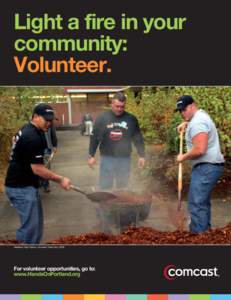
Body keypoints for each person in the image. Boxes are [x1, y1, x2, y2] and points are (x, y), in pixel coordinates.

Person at [5, 103, 72, 244]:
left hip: (25, 185)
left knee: (35, 227)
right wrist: (61, 179)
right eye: (46, 119)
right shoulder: (32, 136)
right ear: (35, 116)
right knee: (30, 230)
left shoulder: (28, 128)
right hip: (20, 188)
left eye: (51, 120)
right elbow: (38, 169)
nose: (49, 123)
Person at [175, 95, 225, 233]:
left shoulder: (198, 123)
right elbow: (200, 126)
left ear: (192, 106)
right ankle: (206, 234)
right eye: (180, 111)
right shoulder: (200, 117)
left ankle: (199, 237)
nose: (182, 113)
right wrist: (187, 123)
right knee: (202, 202)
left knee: (196, 203)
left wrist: (182, 157)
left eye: (184, 109)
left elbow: (200, 149)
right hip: (210, 166)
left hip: (206, 167)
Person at [88, 92, 145, 189]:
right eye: (117, 106)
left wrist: (142, 155)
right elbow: (95, 137)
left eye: (122, 107)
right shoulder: (102, 118)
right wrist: (91, 155)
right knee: (105, 186)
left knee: (122, 187)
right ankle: (105, 204)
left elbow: (137, 138)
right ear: (112, 104)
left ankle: (121, 204)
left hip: (124, 158)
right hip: (107, 157)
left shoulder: (131, 119)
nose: (119, 109)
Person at [40, 122, 58, 192]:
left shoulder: (49, 121)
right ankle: (44, 183)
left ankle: (45, 184)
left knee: (43, 166)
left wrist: (55, 145)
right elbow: (53, 134)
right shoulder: (49, 121)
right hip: (41, 147)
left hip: (44, 147)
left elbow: (53, 134)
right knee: (43, 166)